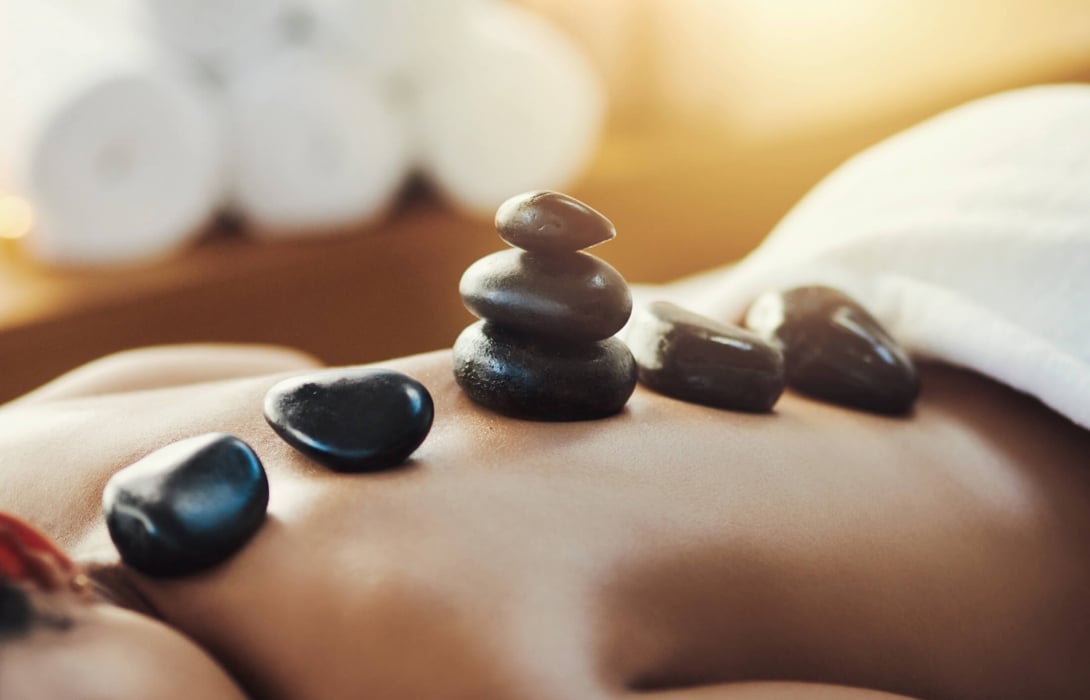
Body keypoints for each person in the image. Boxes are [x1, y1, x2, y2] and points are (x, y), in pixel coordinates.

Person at [1, 84, 1089, 699]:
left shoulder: (420, 665)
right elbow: (234, 362)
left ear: (38, 572)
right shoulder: (21, 450)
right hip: (912, 217)